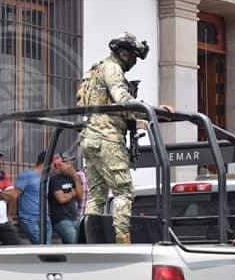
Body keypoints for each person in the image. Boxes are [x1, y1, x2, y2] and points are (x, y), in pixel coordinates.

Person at [77, 32, 174, 243]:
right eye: (132, 57)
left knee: (96, 194)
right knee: (123, 191)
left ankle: (90, 240)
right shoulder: (113, 69)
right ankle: (123, 240)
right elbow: (123, 100)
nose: (133, 62)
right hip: (107, 138)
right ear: (123, 53)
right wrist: (155, 111)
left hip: (90, 137)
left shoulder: (96, 69)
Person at [14, 151, 52, 244]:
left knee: (47, 247)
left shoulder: (47, 177)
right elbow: (15, 195)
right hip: (30, 219)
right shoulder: (27, 175)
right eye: (53, 164)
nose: (54, 168)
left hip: (45, 217)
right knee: (42, 246)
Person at [48, 153, 83, 244]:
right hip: (61, 219)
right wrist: (72, 193)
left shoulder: (70, 178)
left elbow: (80, 196)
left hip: (73, 218)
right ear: (58, 164)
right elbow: (61, 199)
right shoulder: (55, 179)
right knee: (76, 244)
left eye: (70, 163)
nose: (70, 166)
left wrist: (76, 178)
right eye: (66, 163)